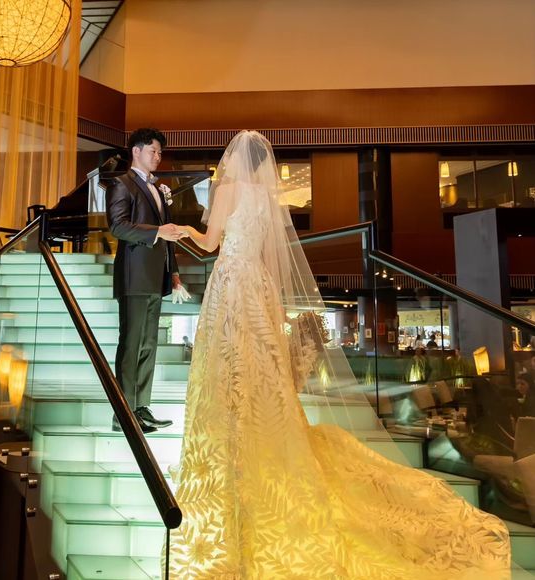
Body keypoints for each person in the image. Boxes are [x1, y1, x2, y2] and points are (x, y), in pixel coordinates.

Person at [166, 131, 510, 578]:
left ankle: (234, 449)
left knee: (229, 364)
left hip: (232, 283)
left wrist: (182, 230)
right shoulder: (267, 198)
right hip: (259, 287)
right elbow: (270, 254)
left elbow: (211, 242)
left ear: (233, 162)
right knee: (261, 368)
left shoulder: (227, 188)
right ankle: (260, 441)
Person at [106, 128, 186, 433]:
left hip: (155, 276)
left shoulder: (158, 188)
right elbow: (118, 226)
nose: (158, 157)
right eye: (153, 151)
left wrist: (173, 271)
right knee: (131, 344)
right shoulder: (121, 184)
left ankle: (141, 408)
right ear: (136, 151)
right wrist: (157, 232)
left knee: (149, 344)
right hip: (134, 275)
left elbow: (168, 234)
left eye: (160, 152)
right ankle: (123, 414)